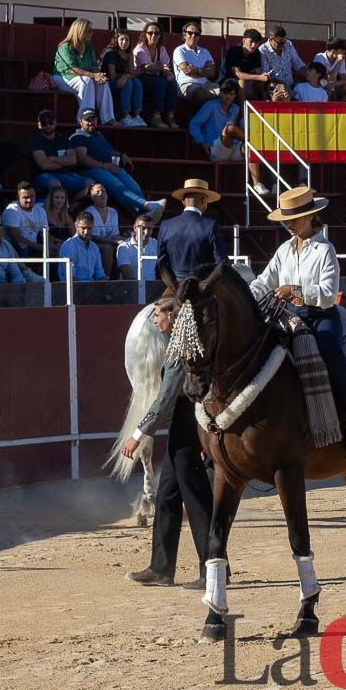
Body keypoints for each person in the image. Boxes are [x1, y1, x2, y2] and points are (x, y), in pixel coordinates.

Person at [250, 186, 346, 456]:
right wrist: (245, 297)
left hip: (321, 316)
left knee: (330, 350)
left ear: (310, 217)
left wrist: (294, 290)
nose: (289, 224)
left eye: (293, 219)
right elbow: (264, 281)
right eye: (286, 219)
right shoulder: (284, 250)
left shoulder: (325, 250)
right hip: (289, 315)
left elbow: (328, 296)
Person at [121, 295, 215, 590]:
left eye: (157, 315)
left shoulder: (180, 349)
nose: (154, 320)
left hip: (187, 427)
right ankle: (162, 569)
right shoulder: (181, 344)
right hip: (183, 427)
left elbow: (165, 399)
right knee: (167, 498)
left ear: (173, 316)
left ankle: (211, 570)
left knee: (196, 500)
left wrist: (138, 434)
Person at [68, 108, 165, 219]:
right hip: (90, 171)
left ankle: (144, 215)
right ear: (80, 122)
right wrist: (104, 166)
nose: (91, 122)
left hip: (107, 168)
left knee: (133, 185)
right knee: (117, 186)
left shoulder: (98, 134)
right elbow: (82, 159)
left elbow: (109, 150)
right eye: (87, 120)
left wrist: (122, 155)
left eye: (93, 119)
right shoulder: (78, 136)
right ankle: (146, 206)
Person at [188, 80, 266, 195]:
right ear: (220, 93)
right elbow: (194, 124)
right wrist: (201, 141)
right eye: (225, 92)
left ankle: (257, 184)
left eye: (232, 94)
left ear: (235, 96)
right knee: (230, 128)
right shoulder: (211, 105)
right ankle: (254, 143)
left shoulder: (235, 108)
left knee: (248, 147)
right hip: (214, 149)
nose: (228, 96)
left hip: (232, 149)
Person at [156, 178, 228, 280]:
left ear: (183, 201)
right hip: (202, 285)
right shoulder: (211, 225)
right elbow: (221, 262)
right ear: (204, 201)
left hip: (174, 284)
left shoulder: (166, 225)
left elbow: (161, 261)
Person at [53, 18, 116, 126]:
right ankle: (86, 119)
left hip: (83, 77)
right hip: (63, 77)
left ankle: (108, 118)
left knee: (102, 83)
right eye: (90, 30)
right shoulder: (65, 47)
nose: (93, 33)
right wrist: (93, 75)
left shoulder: (89, 47)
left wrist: (99, 76)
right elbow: (72, 69)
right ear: (81, 31)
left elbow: (94, 66)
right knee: (87, 81)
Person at [28, 109, 93, 201]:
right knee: (56, 185)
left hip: (65, 174)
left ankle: (73, 206)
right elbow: (45, 166)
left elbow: (73, 161)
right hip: (43, 176)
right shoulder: (36, 141)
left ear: (55, 123)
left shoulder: (62, 139)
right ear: (39, 125)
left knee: (91, 184)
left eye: (50, 122)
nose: (48, 126)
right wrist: (64, 162)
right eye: (44, 123)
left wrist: (53, 159)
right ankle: (59, 211)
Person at [133, 23, 179, 129]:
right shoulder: (140, 49)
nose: (153, 35)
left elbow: (165, 65)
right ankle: (156, 116)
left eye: (157, 33)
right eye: (150, 33)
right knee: (160, 82)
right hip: (141, 80)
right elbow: (146, 67)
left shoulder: (161, 49)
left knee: (171, 82)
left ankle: (170, 116)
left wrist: (168, 73)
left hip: (156, 77)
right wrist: (161, 68)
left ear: (160, 35)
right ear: (145, 34)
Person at [101, 29, 145, 127]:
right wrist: (125, 76)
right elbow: (112, 76)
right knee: (128, 83)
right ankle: (126, 116)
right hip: (108, 84)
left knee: (137, 82)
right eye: (122, 39)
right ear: (116, 40)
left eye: (127, 40)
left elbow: (131, 73)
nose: (124, 42)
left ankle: (138, 116)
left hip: (122, 80)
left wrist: (126, 76)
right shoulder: (110, 53)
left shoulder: (129, 53)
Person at [3, 181, 54, 260]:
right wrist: (43, 248)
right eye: (25, 197)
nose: (29, 200)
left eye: (32, 196)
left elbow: (45, 234)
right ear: (17, 197)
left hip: (34, 247)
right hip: (16, 248)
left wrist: (50, 247)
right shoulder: (11, 210)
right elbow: (18, 239)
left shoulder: (40, 211)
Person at [173, 22, 220, 103]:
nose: (193, 36)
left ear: (199, 37)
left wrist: (196, 70)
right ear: (184, 35)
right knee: (199, 93)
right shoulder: (179, 50)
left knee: (223, 92)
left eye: (196, 33)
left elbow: (212, 72)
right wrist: (204, 70)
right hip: (187, 84)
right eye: (190, 33)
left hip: (206, 84)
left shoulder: (204, 51)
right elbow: (187, 71)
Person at [85, 181, 122, 277]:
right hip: (93, 243)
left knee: (126, 246)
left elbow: (115, 234)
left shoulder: (113, 212)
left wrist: (123, 240)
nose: (101, 194)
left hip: (110, 241)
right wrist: (115, 242)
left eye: (103, 191)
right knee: (107, 248)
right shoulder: (90, 211)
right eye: (97, 192)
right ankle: (105, 279)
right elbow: (95, 237)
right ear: (92, 197)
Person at [58, 212, 106, 282]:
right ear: (76, 225)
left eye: (89, 228)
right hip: (72, 289)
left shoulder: (94, 247)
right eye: (83, 228)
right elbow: (70, 277)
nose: (86, 232)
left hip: (91, 288)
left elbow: (99, 274)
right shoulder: (68, 246)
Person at [223, 29, 268, 99]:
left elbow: (258, 72)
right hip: (229, 80)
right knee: (242, 81)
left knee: (265, 83)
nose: (254, 45)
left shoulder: (256, 53)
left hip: (249, 80)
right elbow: (237, 74)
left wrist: (263, 77)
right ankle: (243, 108)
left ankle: (264, 106)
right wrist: (258, 77)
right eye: (251, 42)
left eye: (256, 43)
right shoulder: (234, 51)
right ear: (244, 41)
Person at [117, 213, 158, 281]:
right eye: (143, 228)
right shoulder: (124, 247)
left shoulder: (156, 244)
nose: (146, 232)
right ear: (135, 228)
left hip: (152, 287)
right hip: (130, 288)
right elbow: (127, 277)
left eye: (149, 228)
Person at [314, 37, 346, 102]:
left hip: (332, 85)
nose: (344, 52)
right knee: (329, 89)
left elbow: (344, 80)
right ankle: (327, 110)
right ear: (333, 50)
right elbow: (327, 77)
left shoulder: (341, 58)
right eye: (342, 49)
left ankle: (340, 110)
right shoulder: (320, 57)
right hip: (318, 85)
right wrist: (339, 62)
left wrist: (334, 84)